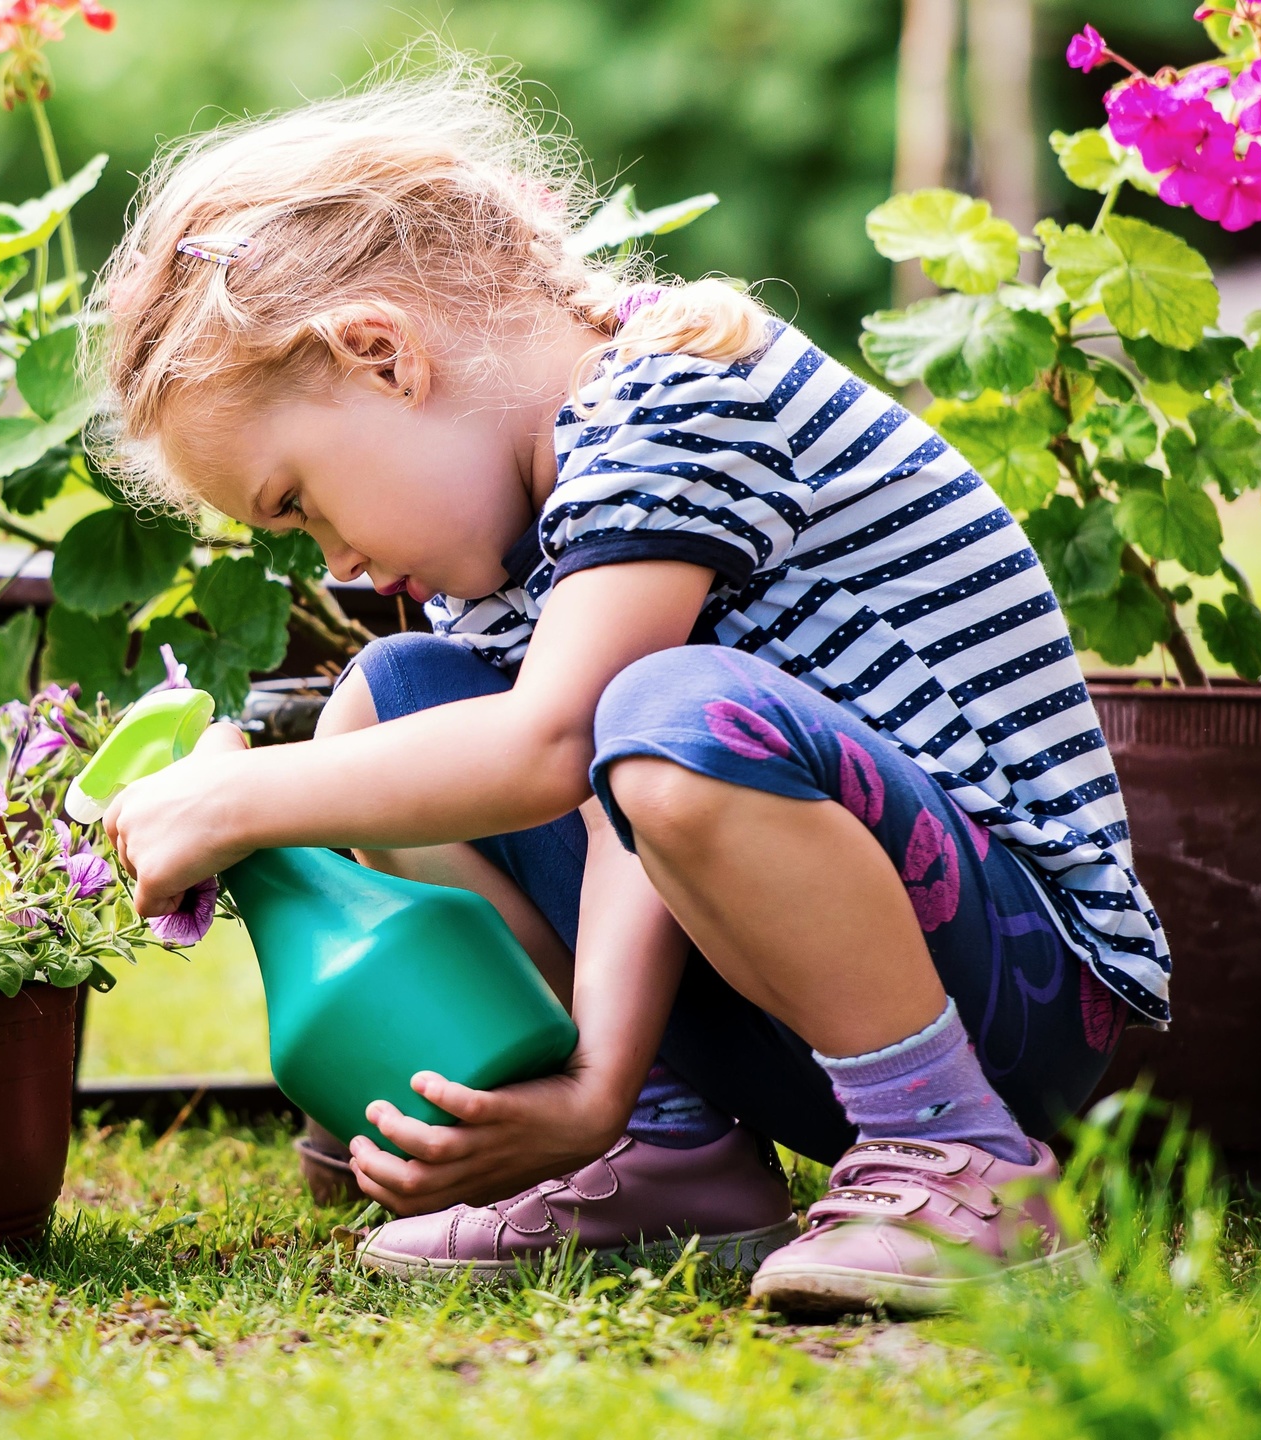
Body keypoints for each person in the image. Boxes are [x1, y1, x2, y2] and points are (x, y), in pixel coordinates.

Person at [87, 59, 1165, 1316]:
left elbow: (562, 748)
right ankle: (674, 1156)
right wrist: (604, 1089)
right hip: (786, 992)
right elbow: (608, 811)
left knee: (667, 715)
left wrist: (240, 801)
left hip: (1020, 995)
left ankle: (965, 1163)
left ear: (380, 355)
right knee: (395, 702)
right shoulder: (517, 537)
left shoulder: (676, 395)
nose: (333, 561)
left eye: (297, 502)